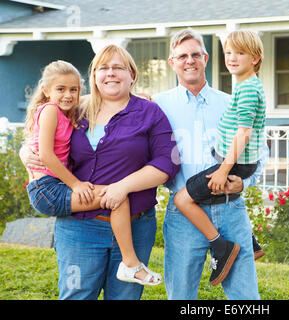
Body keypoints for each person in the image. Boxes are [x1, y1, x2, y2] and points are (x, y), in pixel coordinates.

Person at [20, 45, 180, 300]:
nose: (110, 73)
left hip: (135, 225)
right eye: (102, 68)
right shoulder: (76, 110)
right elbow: (44, 137)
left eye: (118, 67)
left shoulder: (150, 112)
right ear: (94, 76)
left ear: (132, 75)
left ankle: (131, 264)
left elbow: (168, 162)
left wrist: (122, 187)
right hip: (79, 227)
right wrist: (24, 150)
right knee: (76, 295)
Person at [152, 28, 267, 300]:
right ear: (172, 63)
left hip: (231, 208)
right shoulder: (158, 106)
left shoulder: (232, 100)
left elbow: (260, 149)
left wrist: (245, 181)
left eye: (195, 54)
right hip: (183, 217)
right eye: (182, 56)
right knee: (180, 296)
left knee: (245, 297)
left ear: (205, 58)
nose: (189, 60)